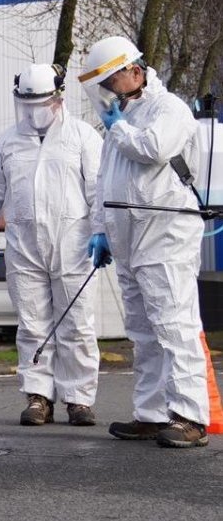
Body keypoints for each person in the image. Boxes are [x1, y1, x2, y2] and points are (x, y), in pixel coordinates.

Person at [80, 36, 211, 448]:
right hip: (129, 237)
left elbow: (153, 149)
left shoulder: (167, 108)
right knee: (143, 331)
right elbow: (105, 182)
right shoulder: (120, 117)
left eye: (109, 81)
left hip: (164, 234)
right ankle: (152, 414)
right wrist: (100, 229)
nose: (104, 93)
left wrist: (118, 127)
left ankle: (190, 417)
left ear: (133, 71)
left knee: (175, 325)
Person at [0, 63, 104, 427]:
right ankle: (38, 396)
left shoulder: (82, 137)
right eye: (27, 103)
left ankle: (78, 399)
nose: (33, 111)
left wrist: (102, 231)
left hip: (74, 244)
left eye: (40, 102)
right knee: (32, 323)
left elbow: (99, 190)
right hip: (24, 244)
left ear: (58, 98)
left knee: (76, 323)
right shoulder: (7, 142)